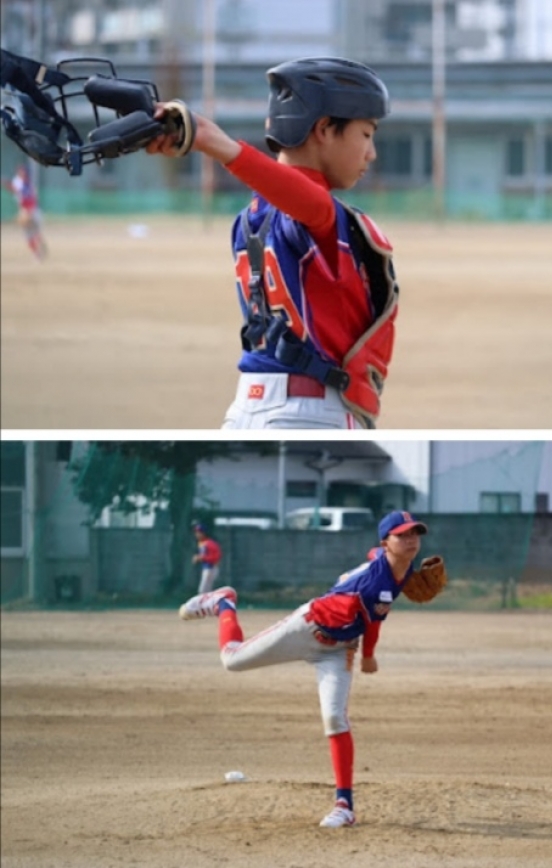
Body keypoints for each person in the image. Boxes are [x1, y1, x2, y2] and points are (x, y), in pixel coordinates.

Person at [147, 57, 399, 430]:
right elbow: (312, 203)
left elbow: (295, 195)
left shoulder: (249, 217)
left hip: (245, 411)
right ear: (324, 129)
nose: (371, 152)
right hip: (309, 414)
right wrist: (215, 143)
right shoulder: (322, 216)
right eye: (366, 133)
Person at [178, 510, 428, 828]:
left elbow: (372, 555)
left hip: (337, 650)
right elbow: (373, 625)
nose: (411, 539)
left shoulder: (399, 566)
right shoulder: (376, 584)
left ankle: (344, 806)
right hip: (306, 628)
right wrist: (368, 656)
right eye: (402, 535)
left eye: (415, 533)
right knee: (232, 660)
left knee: (335, 717)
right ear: (386, 542)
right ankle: (223, 603)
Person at [2, 164, 47, 260]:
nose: (23, 174)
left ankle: (39, 246)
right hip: (26, 210)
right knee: (30, 235)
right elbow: (14, 189)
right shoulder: (21, 182)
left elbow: (15, 189)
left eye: (24, 172)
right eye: (21, 172)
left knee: (34, 232)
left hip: (32, 210)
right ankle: (37, 252)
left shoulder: (25, 183)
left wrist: (5, 183)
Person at [192, 524, 222, 595]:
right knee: (206, 591)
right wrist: (199, 557)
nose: (197, 534)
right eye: (196, 532)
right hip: (206, 568)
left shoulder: (210, 543)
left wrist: (201, 557)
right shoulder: (201, 543)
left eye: (199, 532)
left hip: (211, 568)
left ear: (204, 533)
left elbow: (216, 556)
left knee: (203, 590)